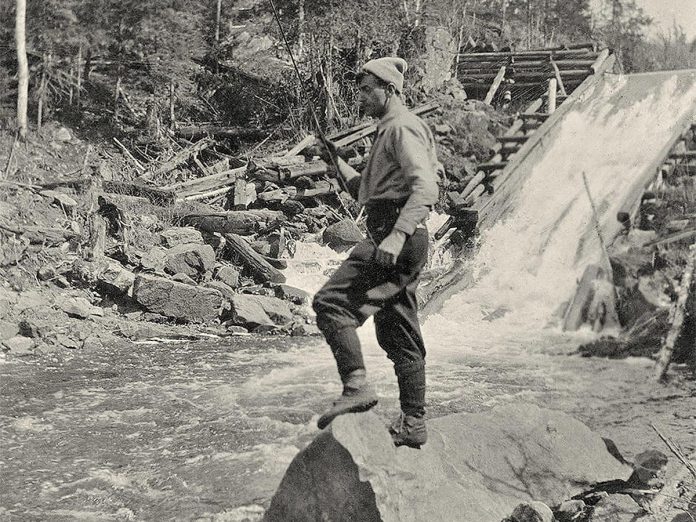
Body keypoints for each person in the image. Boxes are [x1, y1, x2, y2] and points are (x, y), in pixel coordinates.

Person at [312, 57, 439, 448]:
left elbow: (425, 189)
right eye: (360, 90)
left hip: (396, 236)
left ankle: (356, 388)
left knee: (331, 302)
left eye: (369, 89)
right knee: (397, 330)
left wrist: (397, 236)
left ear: (391, 89)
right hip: (396, 234)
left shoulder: (401, 128)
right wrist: (338, 165)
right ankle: (413, 423)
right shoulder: (388, 130)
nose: (362, 97)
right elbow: (369, 194)